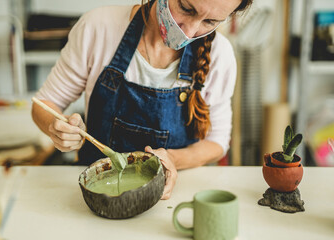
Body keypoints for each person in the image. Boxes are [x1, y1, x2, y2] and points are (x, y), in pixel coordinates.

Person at [32, 0, 253, 199]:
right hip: (96, 195)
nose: (190, 31)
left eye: (210, 21)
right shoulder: (98, 27)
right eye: (186, 8)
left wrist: (173, 159)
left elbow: (217, 142)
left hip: (172, 198)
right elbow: (44, 103)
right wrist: (57, 126)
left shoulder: (219, 54)